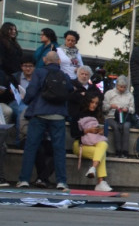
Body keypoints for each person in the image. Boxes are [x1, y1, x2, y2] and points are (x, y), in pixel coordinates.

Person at [17, 51, 71, 191]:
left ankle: (24, 179)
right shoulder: (64, 75)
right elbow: (70, 90)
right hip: (59, 115)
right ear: (58, 61)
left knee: (31, 147)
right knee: (59, 149)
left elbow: (32, 91)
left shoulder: (39, 72)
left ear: (45, 60)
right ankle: (61, 181)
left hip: (40, 114)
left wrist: (25, 100)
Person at [72, 91, 112, 192]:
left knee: (103, 145)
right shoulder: (78, 114)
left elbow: (104, 136)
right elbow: (73, 133)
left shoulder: (98, 115)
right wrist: (87, 131)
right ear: (87, 102)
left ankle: (93, 169)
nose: (94, 105)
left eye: (96, 103)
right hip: (80, 145)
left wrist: (101, 131)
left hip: (96, 142)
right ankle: (100, 182)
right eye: (92, 102)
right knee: (102, 153)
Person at [103, 75, 136, 158]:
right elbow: (104, 108)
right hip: (111, 116)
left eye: (124, 87)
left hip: (125, 117)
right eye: (120, 87)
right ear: (117, 85)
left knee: (126, 126)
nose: (122, 89)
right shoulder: (109, 93)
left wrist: (127, 109)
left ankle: (125, 151)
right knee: (116, 126)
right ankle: (118, 151)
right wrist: (110, 106)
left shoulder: (129, 95)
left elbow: (133, 109)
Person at [0, 23, 24, 128]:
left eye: (15, 29)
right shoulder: (2, 43)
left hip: (14, 74)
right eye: (11, 29)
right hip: (7, 74)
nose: (14, 31)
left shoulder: (14, 43)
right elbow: (3, 60)